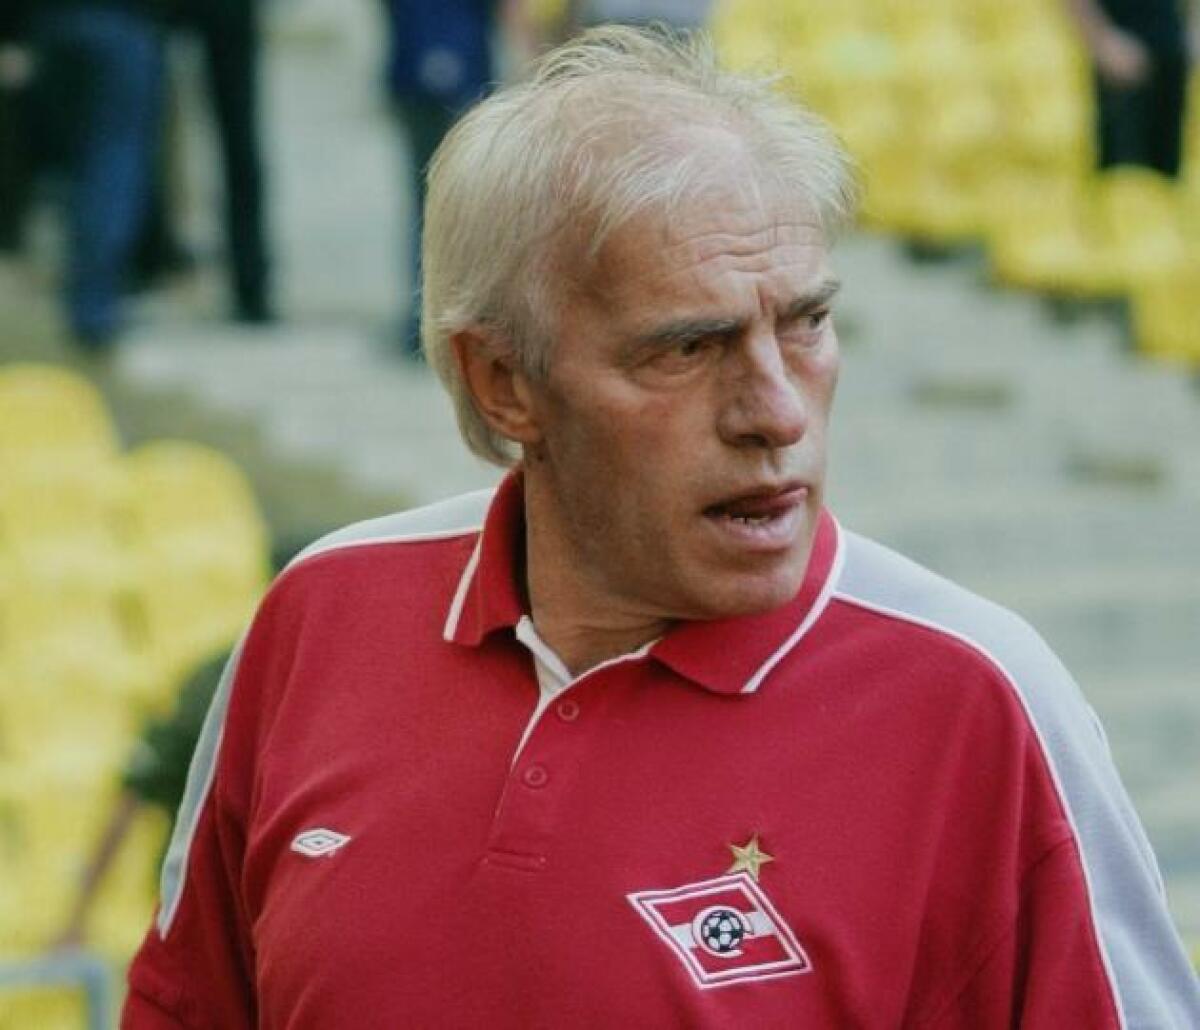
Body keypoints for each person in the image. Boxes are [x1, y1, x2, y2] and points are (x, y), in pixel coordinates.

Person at [122, 27, 1200, 1026]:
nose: (776, 412)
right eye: (688, 348)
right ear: (502, 382)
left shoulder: (981, 698)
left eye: (807, 323)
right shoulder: (321, 615)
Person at [1066, 0, 1198, 178]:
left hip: (1170, 55)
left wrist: (1191, 29)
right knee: (1123, 172)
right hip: (1118, 61)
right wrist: (1103, 43)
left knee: (1166, 171)